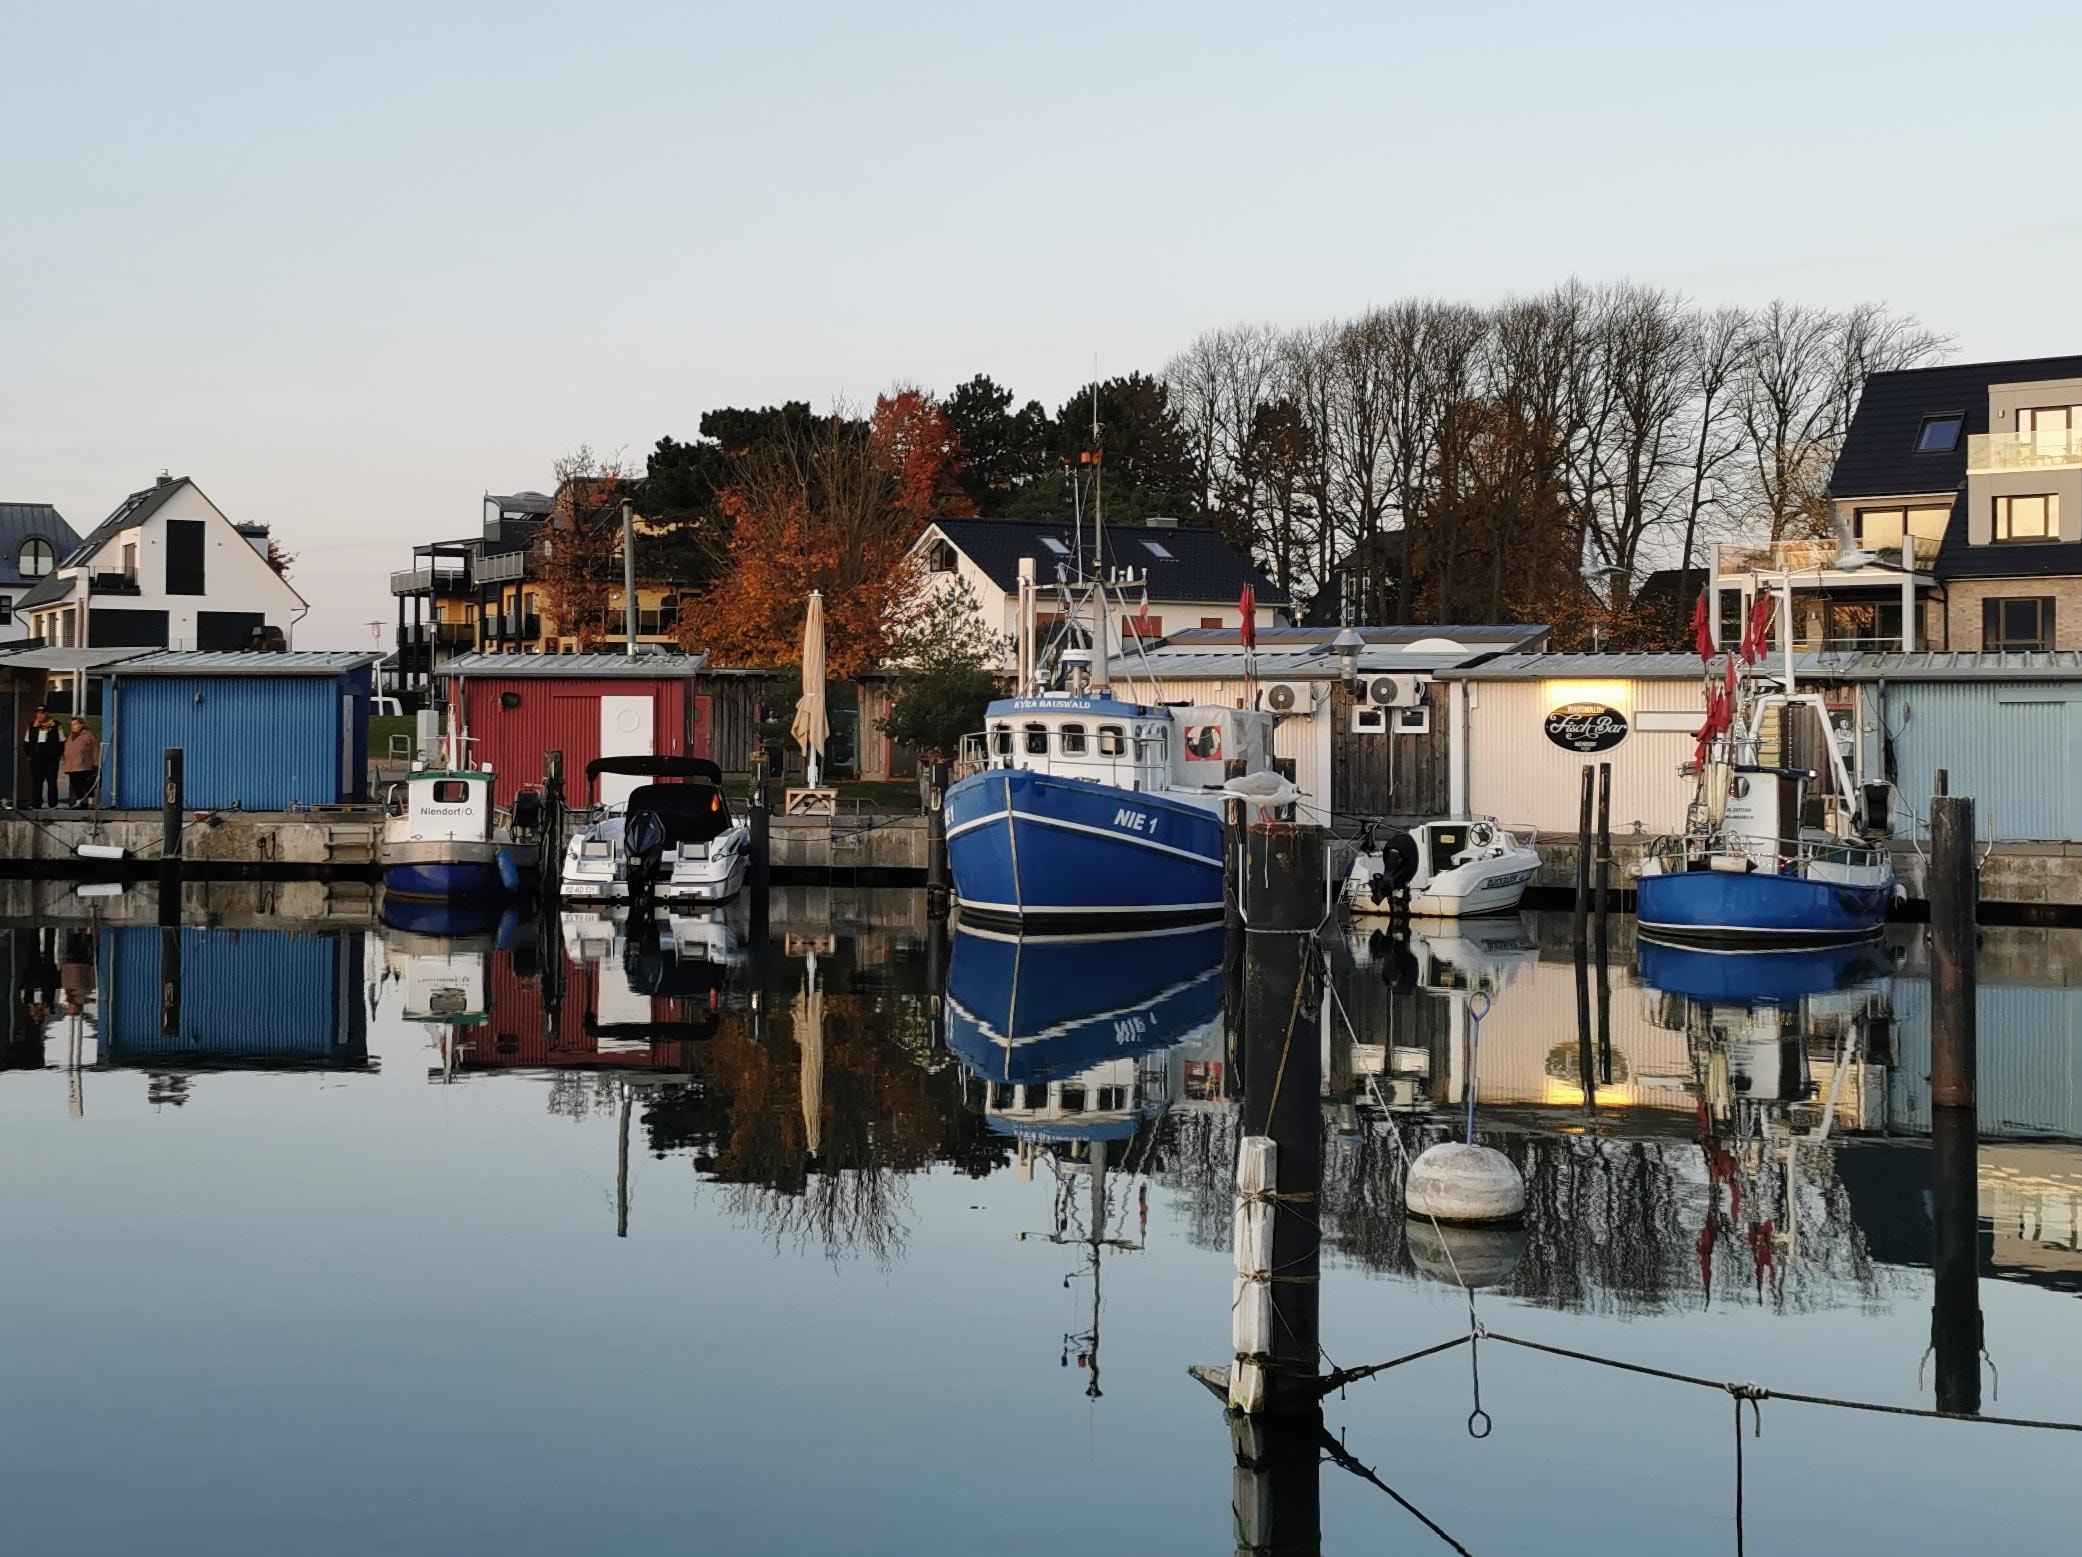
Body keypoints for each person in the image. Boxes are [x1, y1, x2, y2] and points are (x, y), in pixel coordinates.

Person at [22, 707, 62, 807]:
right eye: (38, 713)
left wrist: (57, 755)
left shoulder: (56, 725)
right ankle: (36, 803)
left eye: (42, 713)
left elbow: (62, 741)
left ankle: (53, 804)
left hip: (51, 760)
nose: (40, 715)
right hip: (36, 759)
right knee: (37, 782)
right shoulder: (32, 726)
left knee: (52, 782)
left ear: (47, 714)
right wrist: (29, 755)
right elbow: (26, 742)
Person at [61, 717, 100, 807]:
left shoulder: (88, 736)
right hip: (72, 766)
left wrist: (96, 763)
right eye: (71, 725)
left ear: (82, 725)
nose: (72, 726)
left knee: (88, 784)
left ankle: (90, 803)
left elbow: (95, 749)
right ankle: (80, 802)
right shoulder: (70, 737)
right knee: (76, 785)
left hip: (85, 765)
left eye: (75, 724)